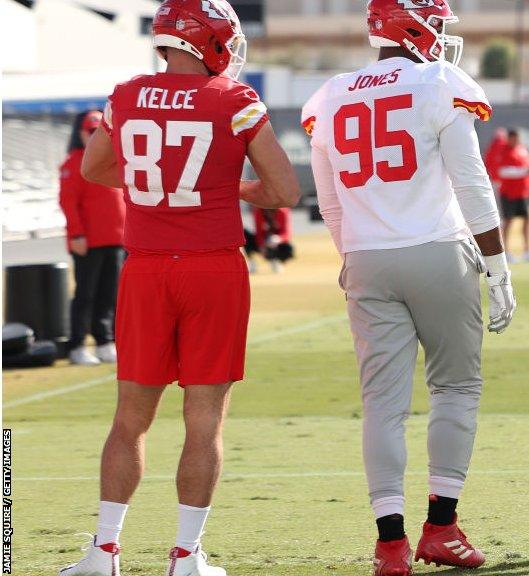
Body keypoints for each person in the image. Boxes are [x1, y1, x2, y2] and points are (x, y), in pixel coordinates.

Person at [60, 1, 300, 575]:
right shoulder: (235, 100)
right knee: (204, 419)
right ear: (211, 41)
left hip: (144, 269)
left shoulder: (126, 96)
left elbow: (96, 169)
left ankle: (105, 551)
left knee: (129, 419)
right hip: (211, 269)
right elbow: (284, 190)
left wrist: (159, 180)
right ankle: (186, 557)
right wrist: (227, 187)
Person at [302, 1, 515, 574]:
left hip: (366, 258)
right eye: (437, 24)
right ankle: (441, 527)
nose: (443, 37)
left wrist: (354, 258)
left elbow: (328, 201)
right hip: (438, 251)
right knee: (456, 389)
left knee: (382, 406)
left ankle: (390, 545)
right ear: (415, 24)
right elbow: (471, 184)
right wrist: (497, 266)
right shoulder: (438, 81)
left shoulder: (330, 95)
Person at [59, 110, 126, 366]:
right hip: (88, 241)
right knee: (86, 294)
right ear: (81, 133)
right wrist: (76, 234)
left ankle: (104, 341)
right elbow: (68, 202)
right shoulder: (73, 162)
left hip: (116, 238)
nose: (96, 136)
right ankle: (77, 345)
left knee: (111, 294)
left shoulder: (114, 159)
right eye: (91, 131)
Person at [497, 129, 529, 262]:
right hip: (509, 193)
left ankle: (527, 251)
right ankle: (505, 252)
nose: (515, 141)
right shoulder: (504, 151)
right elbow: (503, 172)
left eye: (517, 138)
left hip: (523, 192)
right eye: (513, 139)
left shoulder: (522, 149)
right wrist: (523, 171)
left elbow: (527, 165)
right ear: (509, 138)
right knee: (508, 221)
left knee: (527, 219)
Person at [253, 207, 294, 273]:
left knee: (289, 248)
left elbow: (287, 233)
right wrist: (261, 245)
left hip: (277, 243)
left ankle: (277, 260)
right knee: (246, 237)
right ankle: (251, 260)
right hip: (264, 241)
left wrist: (279, 239)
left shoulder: (283, 211)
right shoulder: (258, 211)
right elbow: (258, 232)